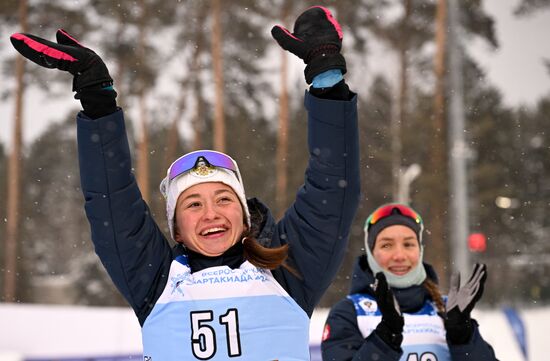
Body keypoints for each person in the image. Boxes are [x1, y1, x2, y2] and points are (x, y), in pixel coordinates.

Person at [11, 5, 360, 360]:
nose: (211, 213)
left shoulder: (289, 270)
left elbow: (332, 186)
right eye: (193, 204)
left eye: (224, 199)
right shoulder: (154, 282)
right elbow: (110, 201)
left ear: (244, 215)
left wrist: (327, 79)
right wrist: (97, 98)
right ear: (176, 229)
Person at [321, 203, 499, 361]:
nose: (399, 256)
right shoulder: (350, 312)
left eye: (408, 244)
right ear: (371, 252)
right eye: (386, 245)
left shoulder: (448, 309)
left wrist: (463, 336)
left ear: (420, 250)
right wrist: (385, 337)